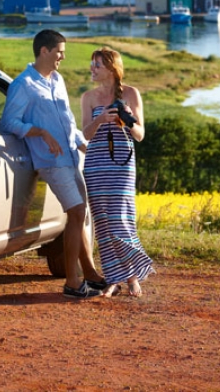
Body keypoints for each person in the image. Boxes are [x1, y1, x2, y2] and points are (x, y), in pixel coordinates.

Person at [2, 29, 107, 299]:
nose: (63, 56)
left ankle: (90, 274)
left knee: (80, 215)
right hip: (49, 161)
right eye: (59, 51)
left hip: (71, 156)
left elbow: (68, 121)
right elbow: (9, 122)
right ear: (44, 51)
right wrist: (41, 132)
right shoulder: (23, 85)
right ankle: (73, 282)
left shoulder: (57, 79)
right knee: (76, 212)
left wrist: (85, 146)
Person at [80, 47, 153, 297]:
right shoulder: (87, 98)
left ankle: (132, 277)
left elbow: (141, 136)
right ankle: (112, 278)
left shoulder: (131, 94)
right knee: (102, 223)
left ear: (111, 68)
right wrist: (101, 120)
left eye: (97, 65)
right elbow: (85, 135)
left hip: (122, 165)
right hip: (95, 165)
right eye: (92, 64)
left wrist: (129, 119)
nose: (92, 68)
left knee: (121, 220)